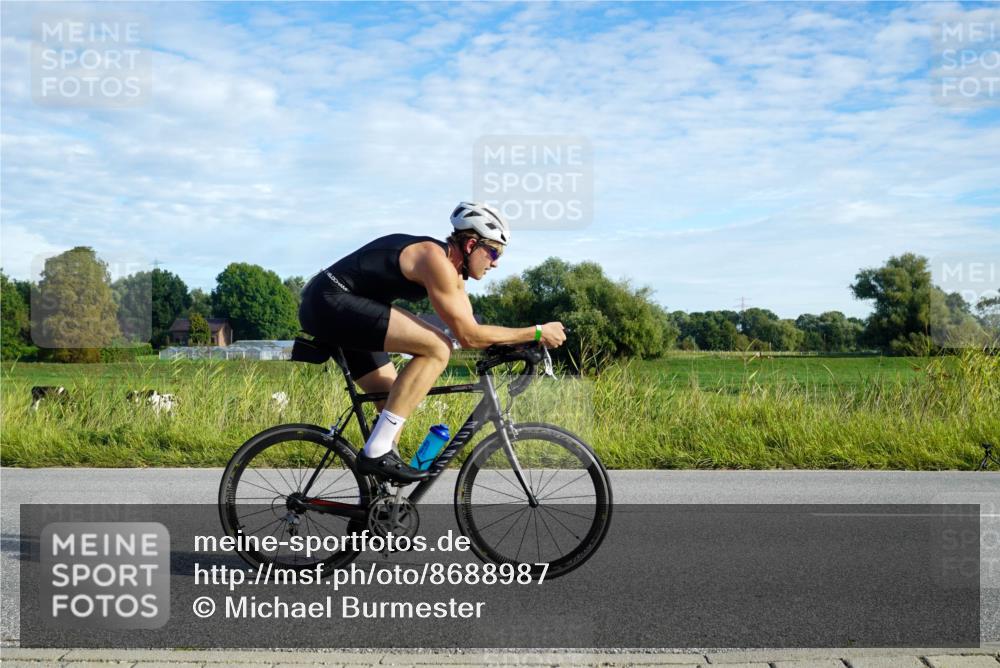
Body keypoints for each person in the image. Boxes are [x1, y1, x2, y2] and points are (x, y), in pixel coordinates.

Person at [298, 202, 567, 484]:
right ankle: (376, 454)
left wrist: (520, 346)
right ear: (471, 244)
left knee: (394, 400)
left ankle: (379, 505)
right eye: (494, 252)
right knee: (439, 347)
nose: (496, 262)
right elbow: (468, 337)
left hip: (343, 308)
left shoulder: (454, 276)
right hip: (329, 302)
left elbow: (475, 332)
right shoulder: (434, 260)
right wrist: (536, 332)